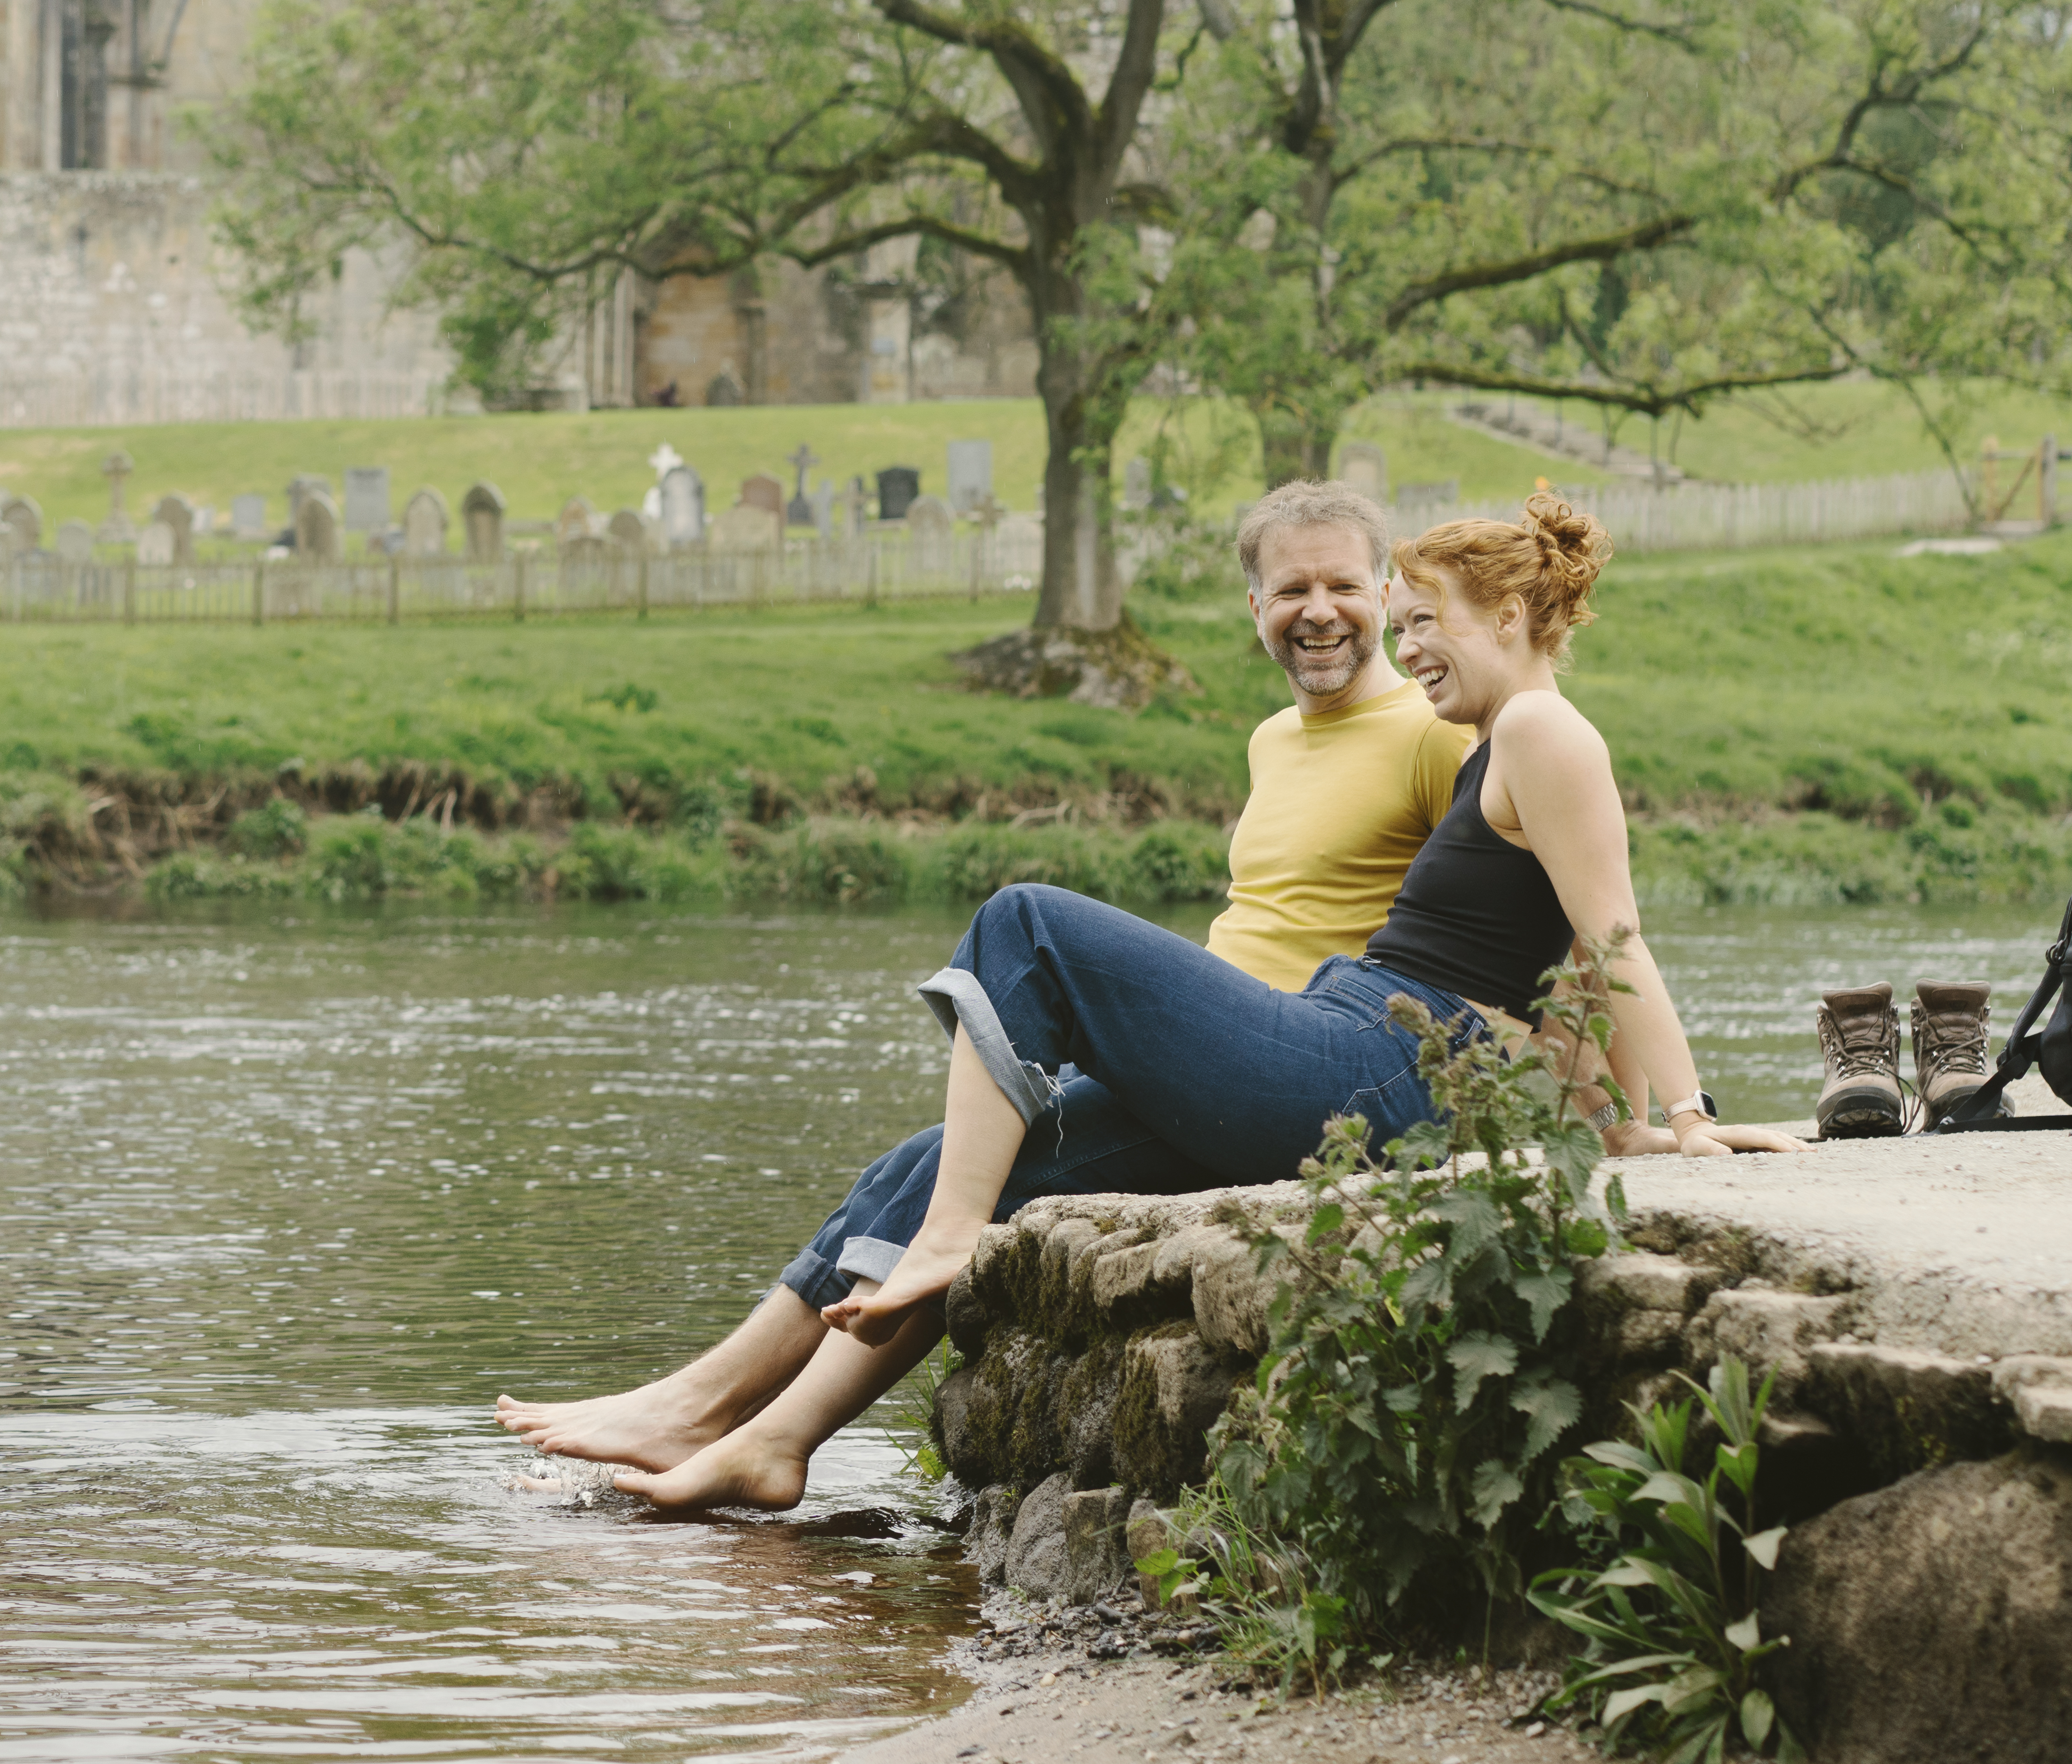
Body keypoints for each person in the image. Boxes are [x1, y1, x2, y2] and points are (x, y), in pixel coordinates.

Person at [525, 485, 1796, 1516]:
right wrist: (1613, 1117)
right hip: (1356, 1047)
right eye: (1399, 623)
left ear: (1511, 610)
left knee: (1023, 924)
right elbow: (1563, 964)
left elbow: (1609, 935)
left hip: (1375, 1064)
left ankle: (942, 1246)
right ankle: (765, 1435)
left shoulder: (1535, 735)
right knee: (948, 1154)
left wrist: (1680, 1115)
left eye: (1422, 620)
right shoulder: (1507, 737)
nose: (1406, 649)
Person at [496, 477, 1463, 1482]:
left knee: (1024, 932)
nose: (1318, 611)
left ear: (1388, 591)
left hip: (1310, 1073)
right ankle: (742, 1431)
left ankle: (725, 1399)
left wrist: (1604, 1106)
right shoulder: (1273, 739)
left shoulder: (1434, 734)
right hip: (1210, 1072)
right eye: (1290, 588)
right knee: (920, 1164)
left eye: (1343, 585)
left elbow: (1506, 927)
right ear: (1252, 606)